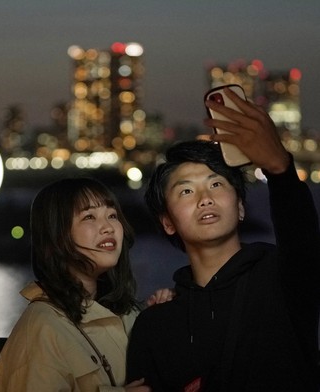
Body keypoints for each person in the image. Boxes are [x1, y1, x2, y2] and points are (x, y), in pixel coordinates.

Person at [126, 87, 320, 391]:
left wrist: (279, 168)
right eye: (186, 191)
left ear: (241, 207)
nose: (205, 198)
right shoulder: (155, 325)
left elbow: (302, 237)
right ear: (167, 222)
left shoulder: (283, 278)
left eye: (216, 184)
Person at [0, 177, 168, 392]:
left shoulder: (125, 313)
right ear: (57, 236)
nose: (108, 227)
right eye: (89, 217)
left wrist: (160, 321)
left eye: (112, 215)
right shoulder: (41, 330)